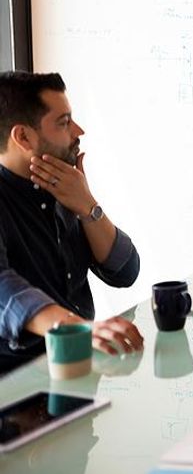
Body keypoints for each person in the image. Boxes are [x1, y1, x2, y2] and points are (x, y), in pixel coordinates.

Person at [0, 71, 144, 373]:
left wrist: (87, 206)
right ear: (23, 137)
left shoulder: (63, 186)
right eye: (64, 122)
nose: (79, 131)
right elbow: (4, 289)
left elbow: (124, 271)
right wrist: (79, 329)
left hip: (79, 372)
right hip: (16, 389)